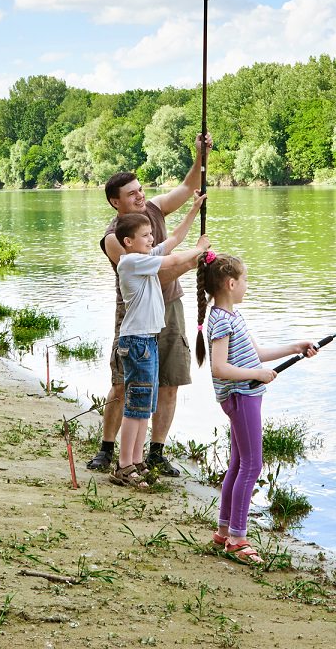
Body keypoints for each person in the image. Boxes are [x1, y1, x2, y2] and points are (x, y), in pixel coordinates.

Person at [89, 133, 212, 476]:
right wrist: (193, 260)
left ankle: (155, 452)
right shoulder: (116, 239)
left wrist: (199, 155)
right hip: (134, 317)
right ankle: (108, 449)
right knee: (122, 384)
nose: (140, 196)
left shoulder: (155, 208)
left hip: (169, 307)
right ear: (116, 202)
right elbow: (159, 270)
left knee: (169, 380)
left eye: (141, 189)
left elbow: (188, 188)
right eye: (132, 194)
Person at [203, 251, 318, 564]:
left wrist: (295, 347)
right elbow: (219, 368)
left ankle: (224, 532)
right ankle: (238, 539)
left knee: (239, 464)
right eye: (245, 280)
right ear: (230, 284)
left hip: (245, 395)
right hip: (241, 396)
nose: (246, 285)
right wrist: (256, 375)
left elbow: (258, 353)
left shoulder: (230, 316)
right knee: (252, 465)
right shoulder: (222, 323)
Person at [111, 199, 209, 488]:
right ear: (128, 242)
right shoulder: (131, 262)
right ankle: (123, 465)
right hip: (137, 342)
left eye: (151, 235)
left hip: (148, 342)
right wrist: (200, 250)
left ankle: (137, 460)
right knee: (136, 408)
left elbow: (174, 241)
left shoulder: (143, 255)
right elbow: (172, 260)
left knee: (146, 405)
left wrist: (193, 210)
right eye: (145, 236)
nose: (151, 239)